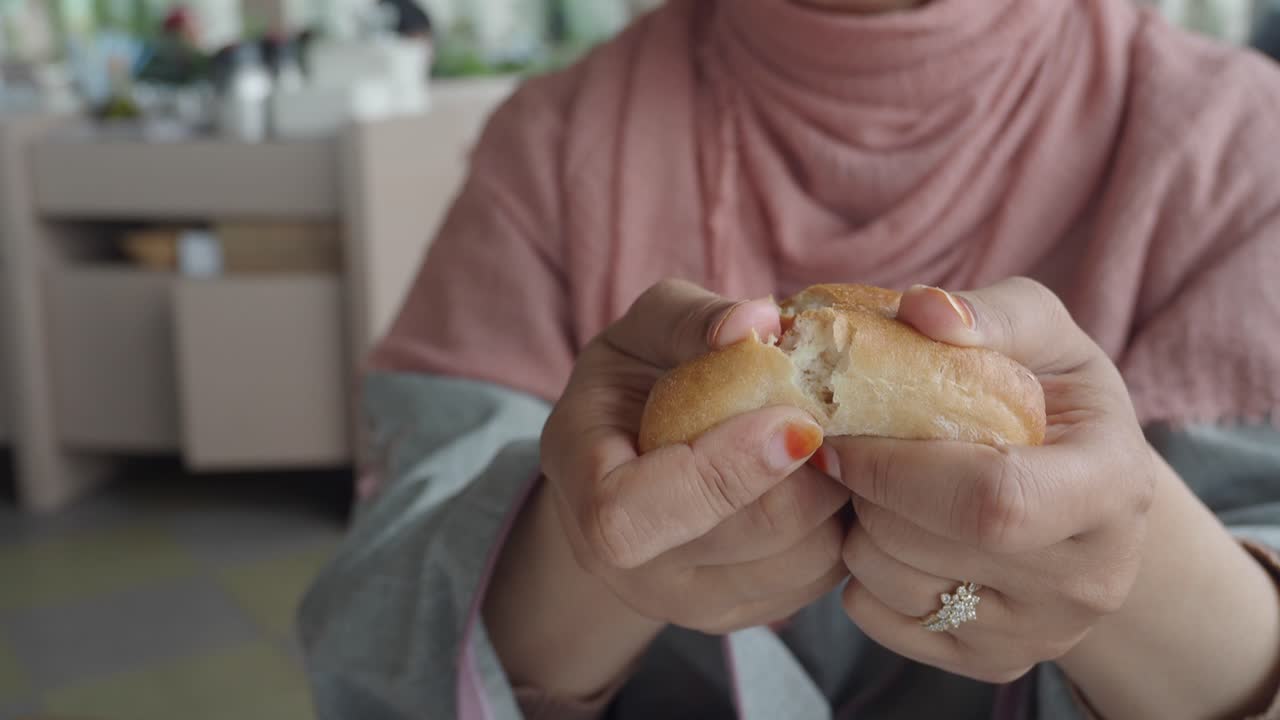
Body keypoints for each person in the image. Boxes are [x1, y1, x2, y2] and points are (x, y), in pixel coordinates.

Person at [298, 0, 1280, 717]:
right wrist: (585, 543)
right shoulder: (550, 148)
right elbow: (372, 631)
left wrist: (1129, 562)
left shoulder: (1241, 143)